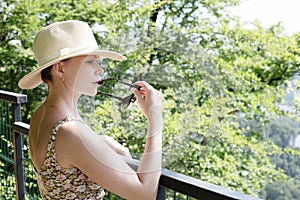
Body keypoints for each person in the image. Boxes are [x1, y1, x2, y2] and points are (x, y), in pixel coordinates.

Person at [18, 20, 163, 200]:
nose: (99, 69)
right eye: (89, 61)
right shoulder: (70, 132)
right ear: (60, 69)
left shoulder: (40, 115)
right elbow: (144, 194)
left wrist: (101, 142)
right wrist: (155, 119)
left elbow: (64, 157)